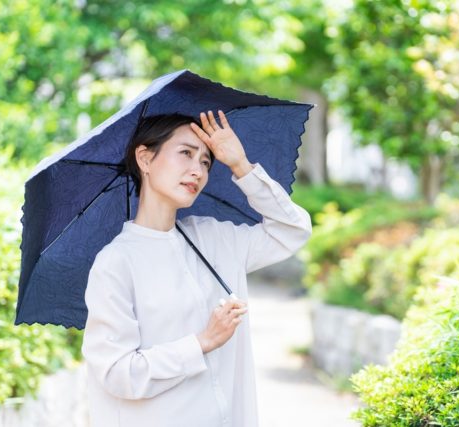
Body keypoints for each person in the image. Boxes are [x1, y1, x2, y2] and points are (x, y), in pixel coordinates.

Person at [81, 110, 312, 427]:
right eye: (186, 154)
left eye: (205, 161)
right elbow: (117, 374)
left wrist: (239, 165)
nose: (198, 171)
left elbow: (292, 230)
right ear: (145, 159)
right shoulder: (116, 262)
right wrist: (202, 342)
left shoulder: (214, 237)